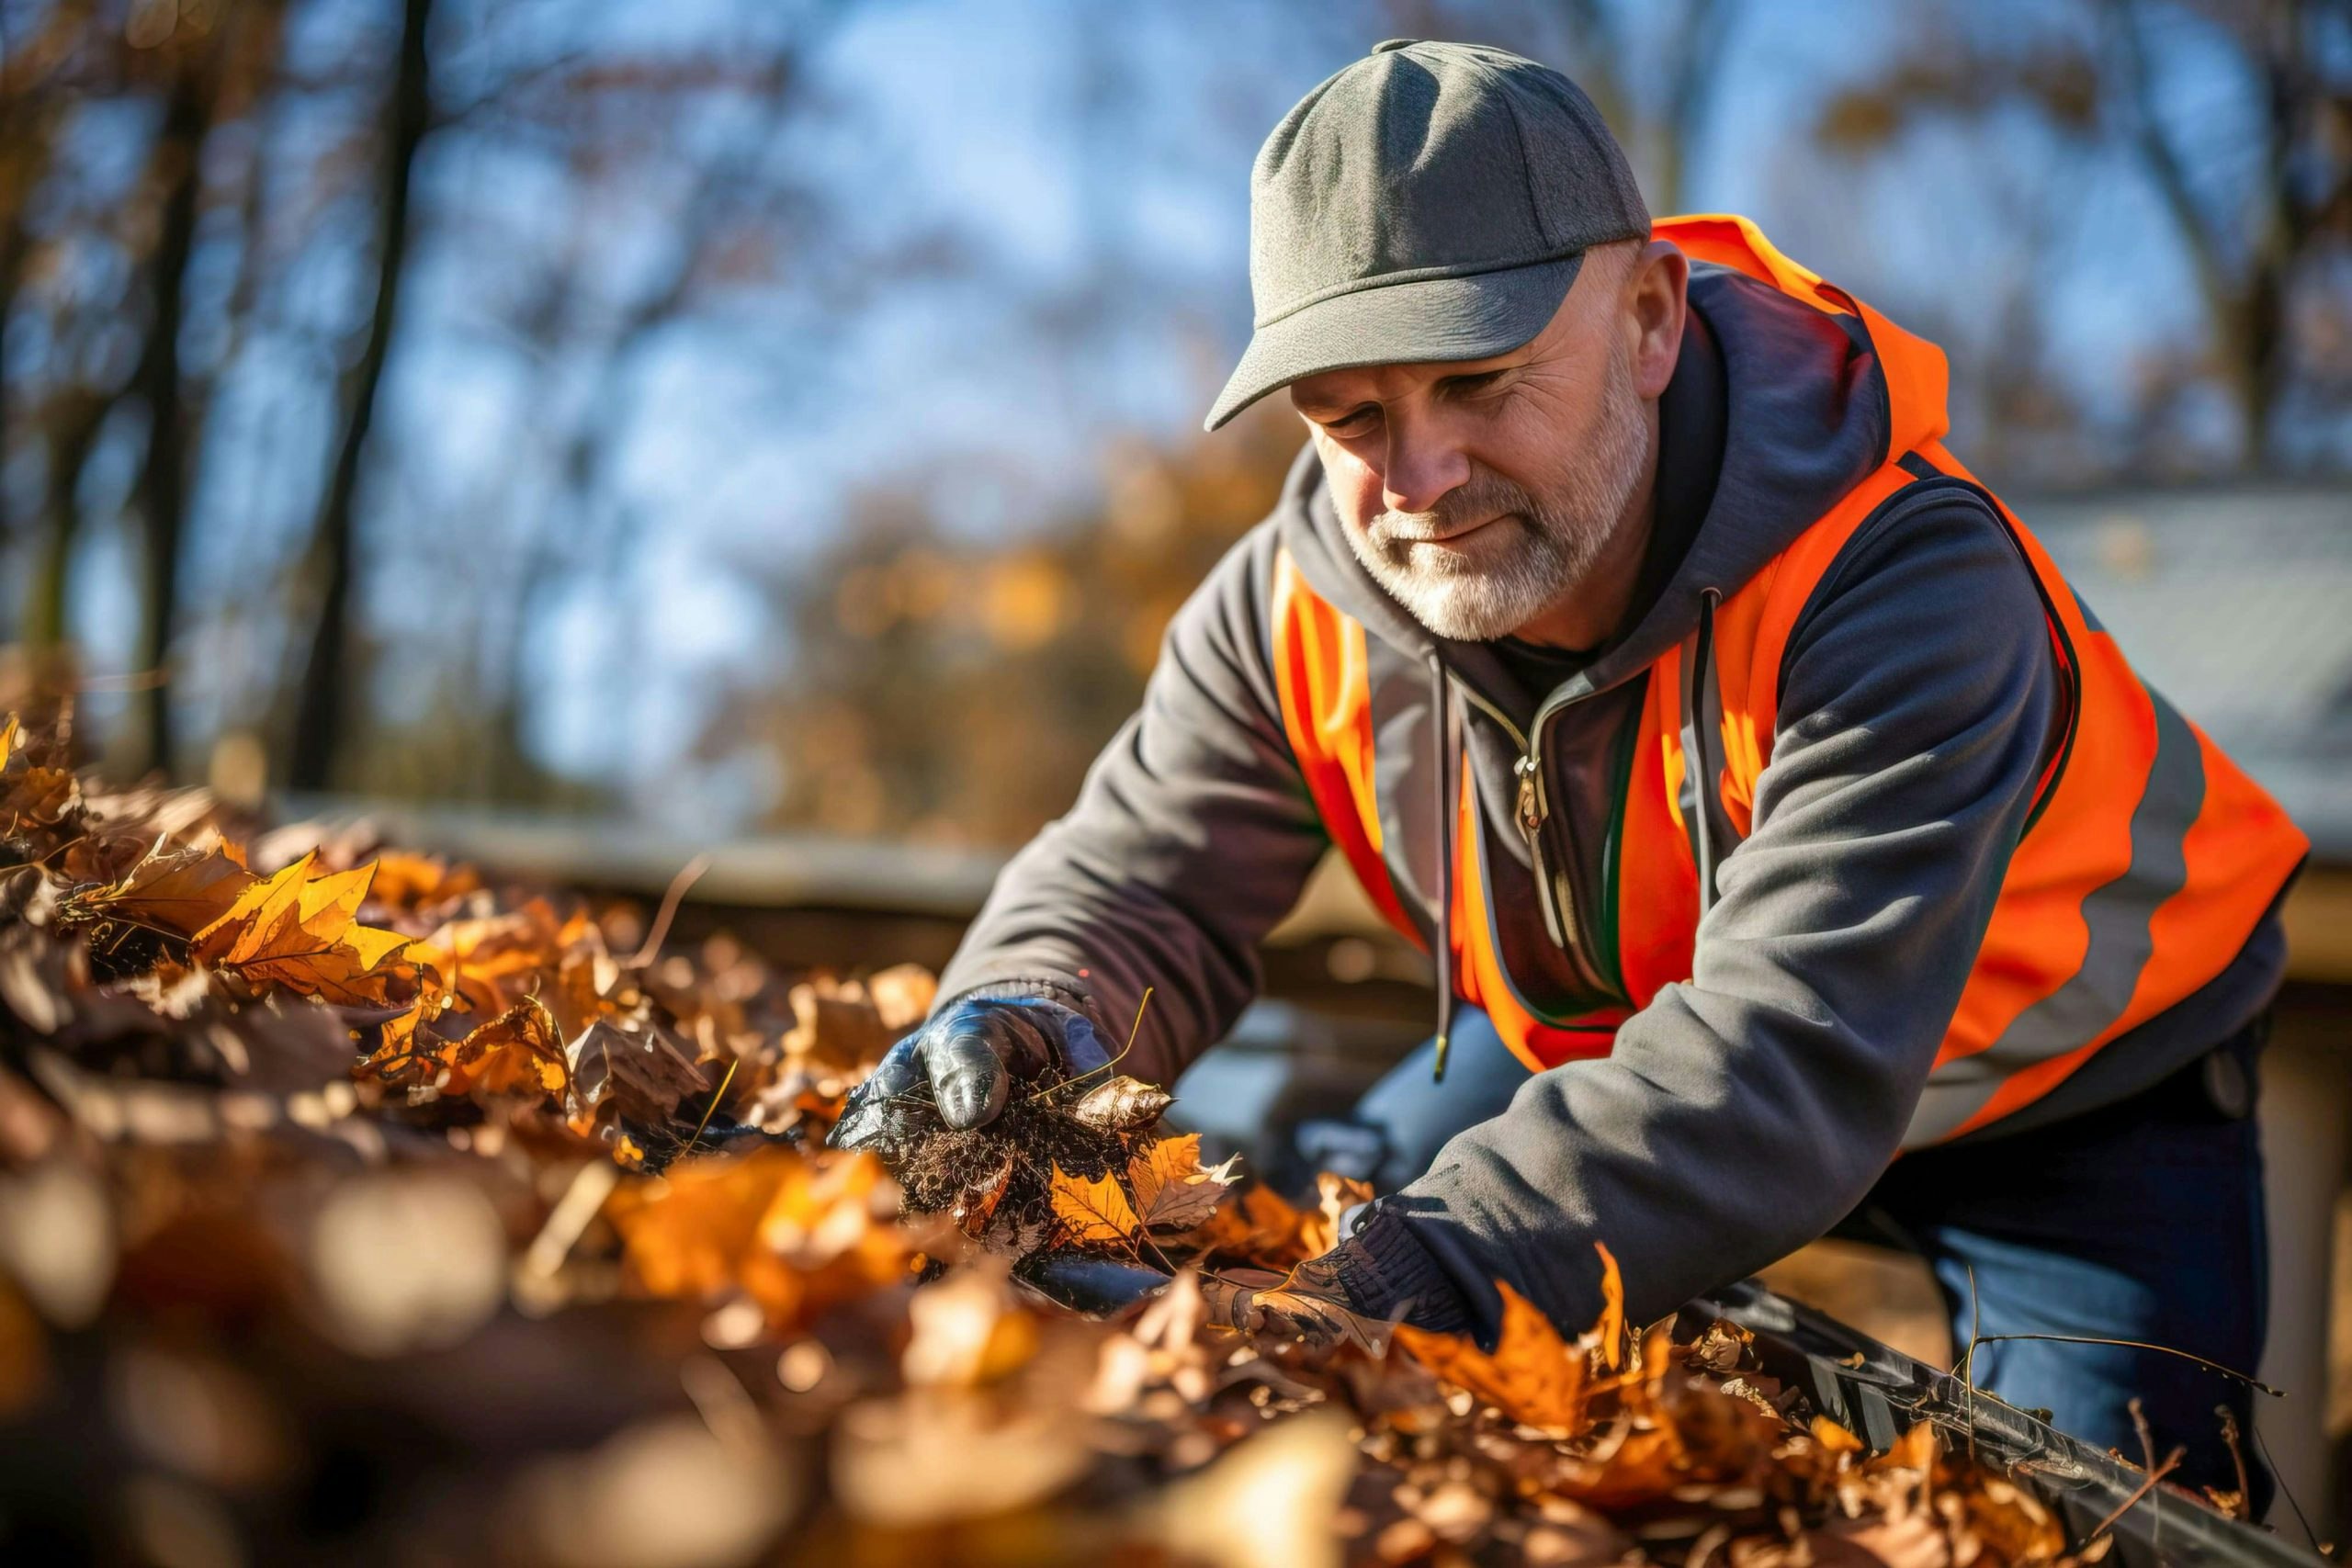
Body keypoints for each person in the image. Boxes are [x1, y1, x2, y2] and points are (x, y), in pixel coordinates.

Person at [831, 39, 2305, 1507]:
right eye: (1350, 418)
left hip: (2069, 1091)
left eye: (1478, 380)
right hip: (1611, 1048)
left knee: (2102, 1522)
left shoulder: (1903, 578)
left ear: (1651, 318)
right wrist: (1025, 1015)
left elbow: (1780, 1057)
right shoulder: (1291, 600)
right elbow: (1139, 870)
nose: (1414, 484)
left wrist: (1421, 1273)